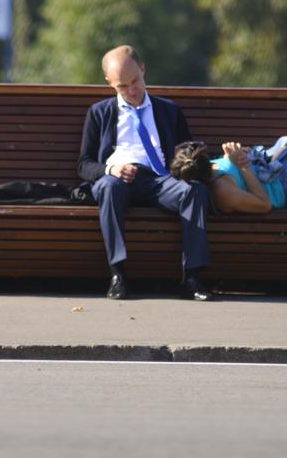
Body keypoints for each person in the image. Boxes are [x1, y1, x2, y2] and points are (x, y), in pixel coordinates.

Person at [76, 45, 211, 301]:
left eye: (135, 81)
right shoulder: (99, 113)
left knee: (196, 191)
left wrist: (194, 159)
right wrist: (111, 169)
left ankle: (192, 277)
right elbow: (84, 164)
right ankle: (118, 274)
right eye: (122, 86)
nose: (132, 90)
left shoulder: (168, 110)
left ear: (143, 69)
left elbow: (187, 150)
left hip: (161, 180)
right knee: (107, 187)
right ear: (109, 84)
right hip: (119, 180)